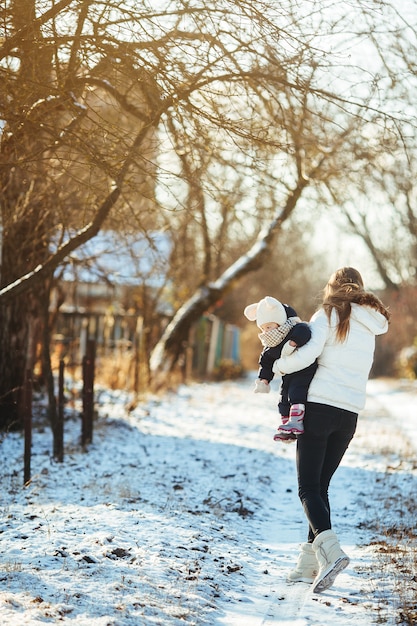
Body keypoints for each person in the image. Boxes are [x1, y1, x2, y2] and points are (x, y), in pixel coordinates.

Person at [272, 267, 390, 593]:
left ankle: (332, 553)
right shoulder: (370, 324)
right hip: (348, 416)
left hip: (320, 409)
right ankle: (307, 565)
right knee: (321, 487)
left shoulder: (328, 314)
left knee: (307, 488)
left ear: (332, 288)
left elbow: (308, 353)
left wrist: (277, 366)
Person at [244, 296, 318, 441]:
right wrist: (263, 380)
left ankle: (296, 421)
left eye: (269, 326)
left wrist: (293, 342)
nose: (266, 331)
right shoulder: (270, 344)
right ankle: (287, 428)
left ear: (278, 322)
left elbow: (305, 331)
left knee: (295, 392)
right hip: (287, 374)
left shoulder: (293, 328)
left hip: (303, 370)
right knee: (283, 399)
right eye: (263, 328)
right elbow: (266, 363)